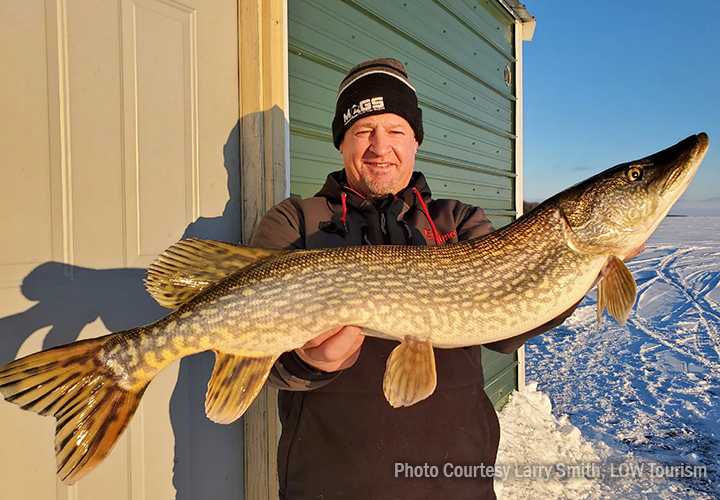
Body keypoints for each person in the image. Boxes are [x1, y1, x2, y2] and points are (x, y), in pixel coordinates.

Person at [250, 58, 636, 499]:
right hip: (330, 485)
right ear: (342, 143)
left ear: (415, 140)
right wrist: (310, 362)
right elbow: (253, 345)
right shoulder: (294, 223)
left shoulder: (459, 220)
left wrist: (583, 267)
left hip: (457, 483)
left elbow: (506, 332)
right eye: (362, 131)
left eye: (395, 131)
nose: (380, 147)